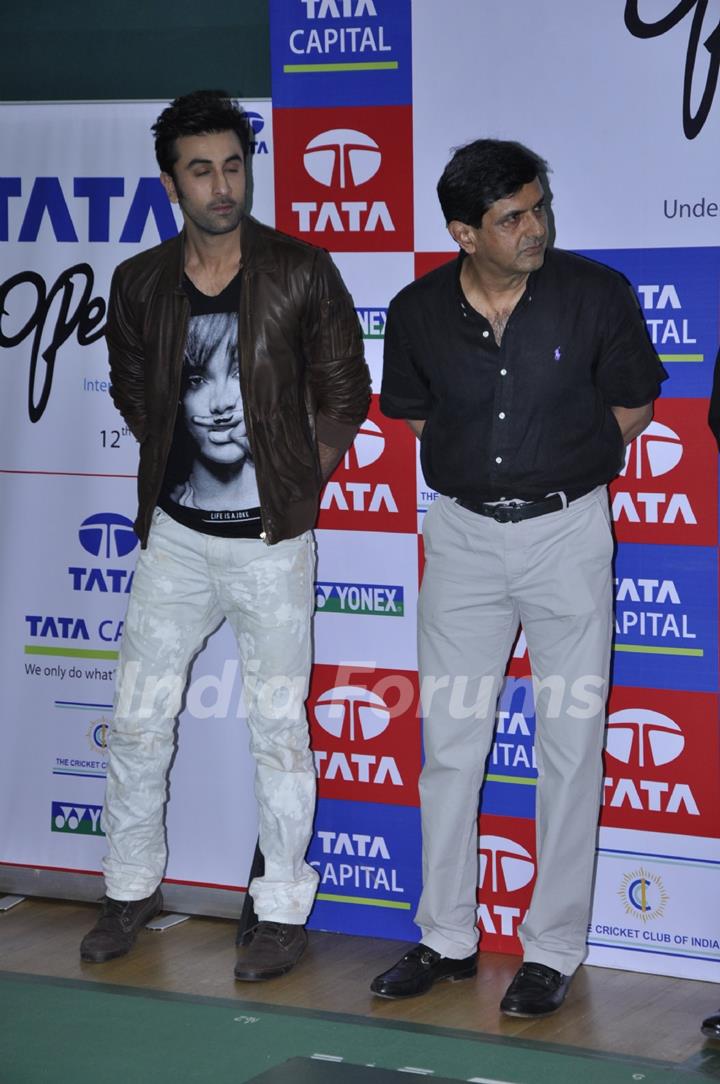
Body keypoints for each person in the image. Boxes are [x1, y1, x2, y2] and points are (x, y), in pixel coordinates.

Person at [79, 90, 370, 980]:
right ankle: (129, 890)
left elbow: (345, 391)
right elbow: (136, 392)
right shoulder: (138, 282)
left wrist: (291, 480)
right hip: (174, 538)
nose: (222, 185)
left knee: (279, 730)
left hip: (272, 544)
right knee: (136, 722)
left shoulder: (301, 269)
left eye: (234, 165)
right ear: (171, 180)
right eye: (201, 169)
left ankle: (281, 910)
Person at [372, 139, 665, 1016]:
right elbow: (414, 415)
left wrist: (557, 468)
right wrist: (487, 479)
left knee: (570, 748)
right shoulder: (417, 309)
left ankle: (553, 949)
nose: (534, 227)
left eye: (539, 208)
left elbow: (636, 403)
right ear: (465, 232)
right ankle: (446, 937)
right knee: (451, 745)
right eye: (512, 218)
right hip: (461, 539)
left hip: (568, 534)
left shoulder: (594, 292)